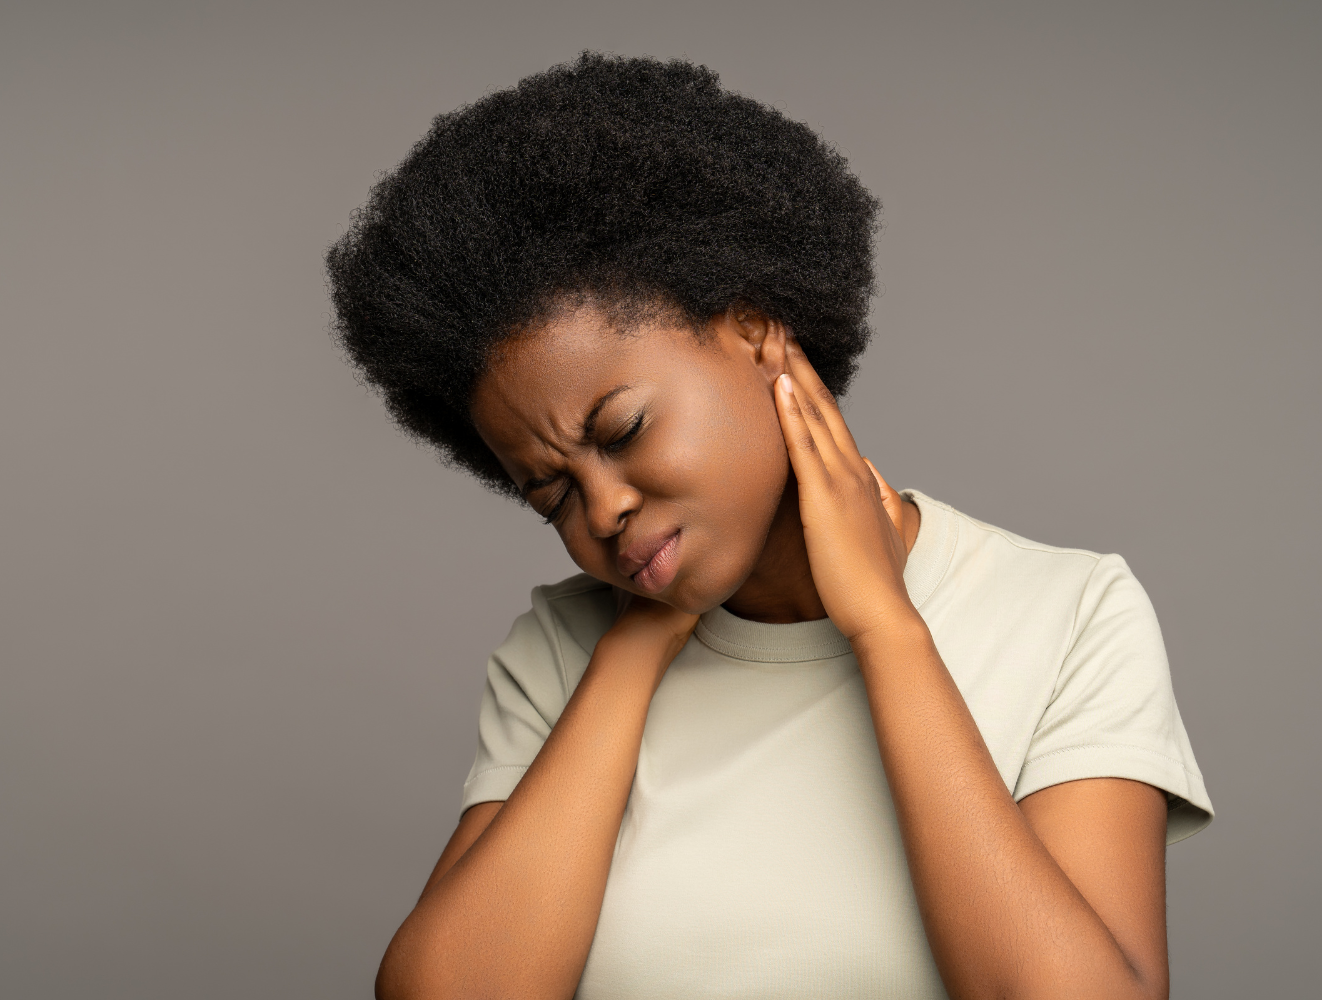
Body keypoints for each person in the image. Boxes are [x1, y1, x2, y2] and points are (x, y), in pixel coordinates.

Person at [326, 52, 1212, 1000]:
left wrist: (885, 628)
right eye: (551, 494)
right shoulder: (558, 653)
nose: (602, 507)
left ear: (754, 332)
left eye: (622, 430)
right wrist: (639, 640)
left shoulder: (1067, 614)